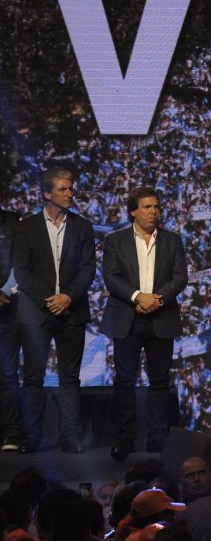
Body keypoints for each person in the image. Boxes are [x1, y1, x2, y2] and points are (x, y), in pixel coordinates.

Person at [11, 168, 96, 453]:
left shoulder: (83, 227)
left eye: (71, 189)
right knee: (33, 377)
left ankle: (69, 437)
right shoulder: (26, 227)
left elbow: (88, 268)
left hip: (72, 311)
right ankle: (31, 437)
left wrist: (68, 297)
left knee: (70, 378)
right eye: (63, 189)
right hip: (36, 313)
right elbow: (21, 271)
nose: (69, 194)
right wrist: (50, 299)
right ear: (47, 193)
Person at [101, 187, 189, 460]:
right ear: (133, 211)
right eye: (148, 207)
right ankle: (125, 438)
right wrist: (138, 297)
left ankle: (157, 437)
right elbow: (111, 276)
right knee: (124, 381)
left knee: (160, 381)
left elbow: (180, 277)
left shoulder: (172, 240)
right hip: (128, 317)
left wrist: (157, 300)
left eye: (157, 207)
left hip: (161, 317)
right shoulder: (115, 240)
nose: (154, 212)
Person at [0, 207, 20, 452]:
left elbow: (21, 263)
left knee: (8, 374)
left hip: (8, 308)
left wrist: (5, 291)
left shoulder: (14, 223)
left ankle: (12, 432)